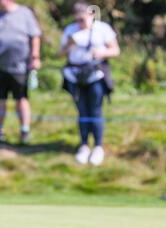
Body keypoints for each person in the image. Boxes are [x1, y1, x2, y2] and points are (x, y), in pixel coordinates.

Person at [59, 2, 120, 166]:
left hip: (96, 75)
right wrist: (69, 44)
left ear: (91, 14)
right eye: (78, 18)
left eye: (83, 18)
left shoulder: (102, 29)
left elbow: (115, 50)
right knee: (82, 111)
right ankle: (84, 145)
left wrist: (102, 52)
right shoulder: (71, 30)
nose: (81, 21)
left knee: (95, 110)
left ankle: (98, 146)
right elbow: (60, 52)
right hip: (75, 76)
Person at [0, 0, 41, 144]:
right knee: (0, 100)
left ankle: (24, 131)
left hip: (20, 66)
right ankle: (0, 132)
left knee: (21, 98)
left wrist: (35, 57)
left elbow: (35, 37)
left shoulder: (25, 13)